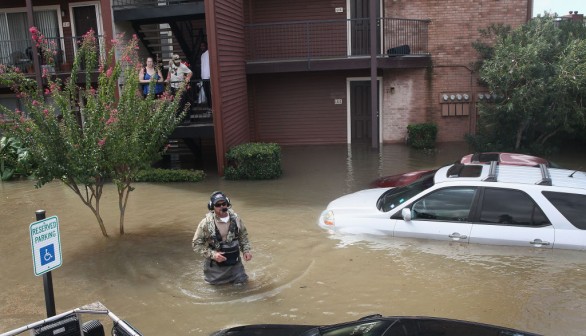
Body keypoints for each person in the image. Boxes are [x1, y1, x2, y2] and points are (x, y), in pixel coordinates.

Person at [192, 191, 253, 285]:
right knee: (218, 294)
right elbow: (196, 244)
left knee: (243, 287)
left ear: (227, 204)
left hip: (236, 266)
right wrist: (213, 254)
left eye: (224, 204)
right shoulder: (205, 223)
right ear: (212, 207)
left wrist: (246, 250)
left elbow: (243, 236)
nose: (222, 207)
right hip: (215, 269)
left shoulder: (237, 219)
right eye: (218, 205)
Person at [199, 42, 212, 108]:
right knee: (207, 94)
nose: (202, 47)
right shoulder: (202, 55)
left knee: (210, 94)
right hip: (204, 78)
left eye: (203, 46)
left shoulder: (209, 53)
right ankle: (210, 108)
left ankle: (211, 108)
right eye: (201, 46)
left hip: (209, 77)